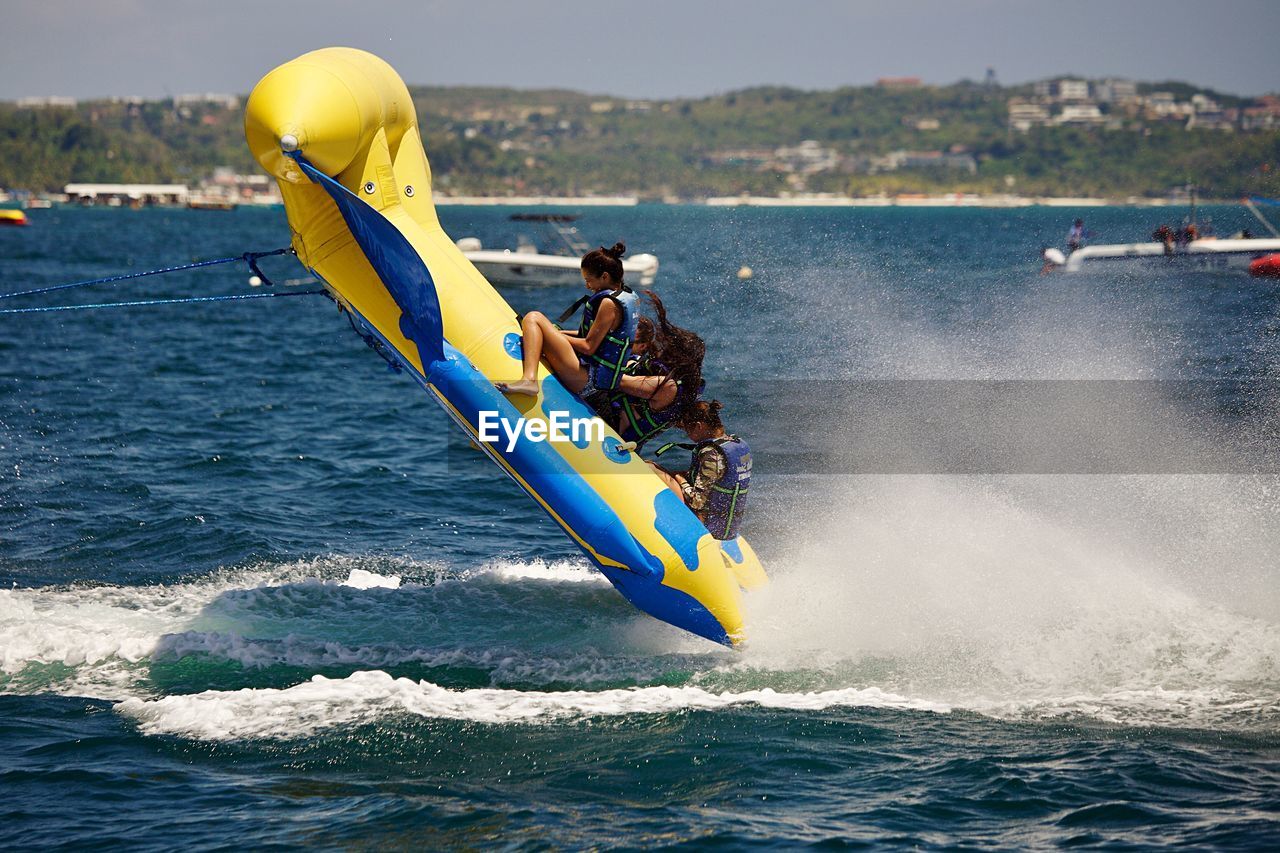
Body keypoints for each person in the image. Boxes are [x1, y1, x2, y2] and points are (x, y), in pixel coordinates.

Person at [497, 243, 637, 397]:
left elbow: (589, 346)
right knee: (544, 326)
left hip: (588, 381)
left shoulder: (609, 304)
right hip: (596, 378)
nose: (587, 285)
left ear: (604, 276)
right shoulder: (627, 296)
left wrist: (553, 335)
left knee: (533, 318)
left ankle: (530, 380)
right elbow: (601, 338)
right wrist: (558, 333)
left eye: (588, 280)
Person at [605, 292, 705, 451]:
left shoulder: (667, 386)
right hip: (614, 429)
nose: (665, 347)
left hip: (612, 436)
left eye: (671, 347)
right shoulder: (680, 384)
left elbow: (611, 379)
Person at [647, 400, 751, 541]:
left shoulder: (711, 454)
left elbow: (697, 502)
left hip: (705, 526)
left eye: (687, 430)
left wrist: (680, 479)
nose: (687, 435)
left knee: (651, 468)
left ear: (698, 426)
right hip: (725, 526)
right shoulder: (736, 444)